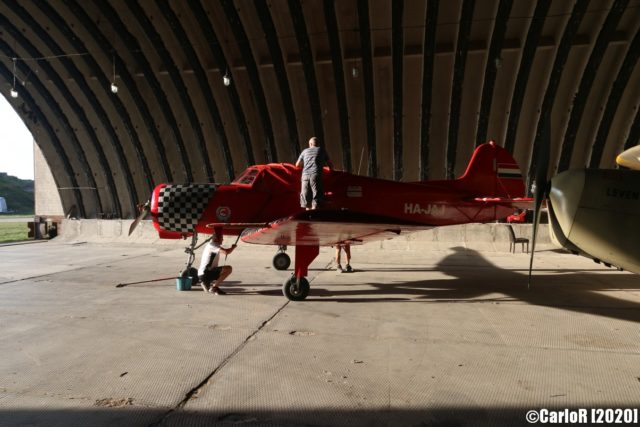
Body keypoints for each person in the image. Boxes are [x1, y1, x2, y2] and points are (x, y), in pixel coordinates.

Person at [295, 136, 334, 210]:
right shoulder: (321, 150)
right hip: (315, 175)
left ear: (310, 144)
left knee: (306, 200)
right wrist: (331, 171)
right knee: (316, 199)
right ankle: (314, 216)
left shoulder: (305, 151)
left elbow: (297, 165)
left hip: (305, 176)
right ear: (317, 144)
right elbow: (330, 165)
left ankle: (308, 217)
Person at [197, 230, 236, 295]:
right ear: (216, 238)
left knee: (220, 269)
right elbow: (226, 252)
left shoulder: (211, 245)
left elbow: (225, 251)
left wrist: (231, 248)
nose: (222, 239)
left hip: (203, 273)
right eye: (221, 238)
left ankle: (206, 282)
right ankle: (214, 287)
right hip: (205, 273)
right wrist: (233, 248)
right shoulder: (212, 245)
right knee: (228, 269)